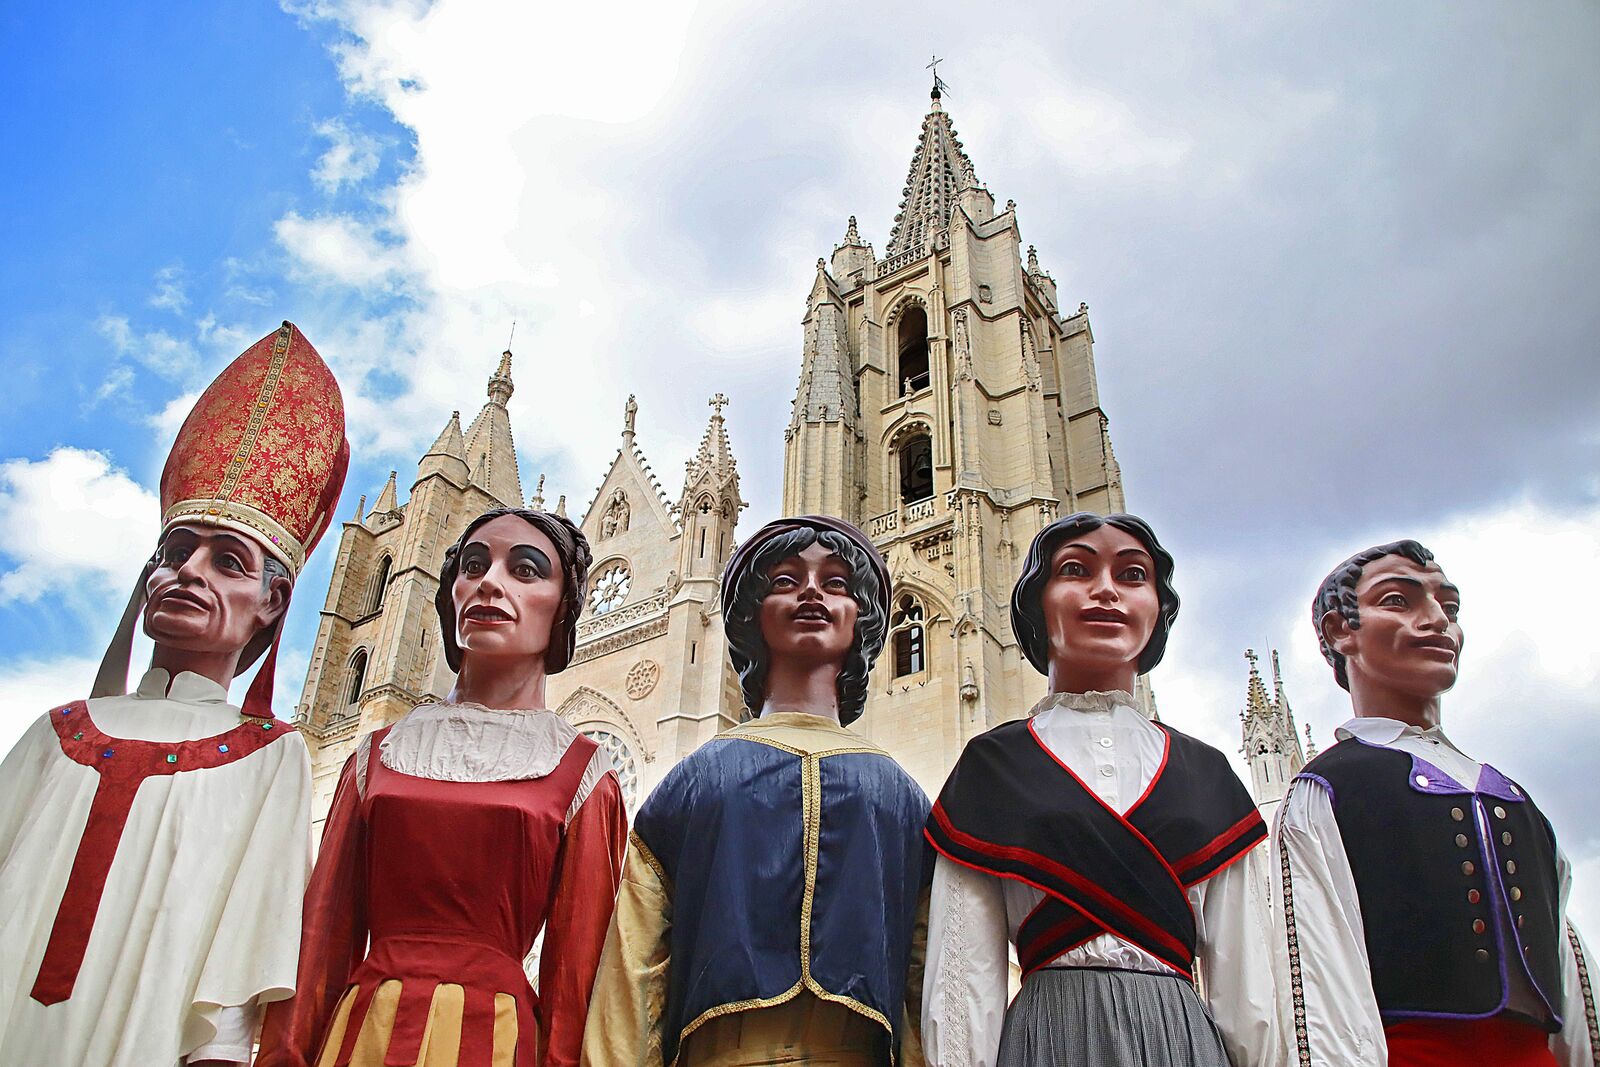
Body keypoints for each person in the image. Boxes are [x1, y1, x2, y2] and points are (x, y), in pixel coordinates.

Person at [0, 322, 349, 1066]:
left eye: (228, 560)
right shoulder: (55, 729)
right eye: (174, 551)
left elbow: (235, 978)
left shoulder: (271, 756)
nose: (190, 572)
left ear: (271, 602)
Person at [257, 507, 627, 1067]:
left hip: (496, 1042)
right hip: (361, 1037)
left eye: (525, 569)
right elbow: (319, 944)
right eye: (473, 565)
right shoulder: (376, 754)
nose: (488, 582)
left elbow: (579, 976)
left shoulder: (584, 773)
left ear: (563, 609)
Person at [922, 512, 1278, 1067]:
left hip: (1182, 1038)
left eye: (1133, 575)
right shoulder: (992, 766)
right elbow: (962, 975)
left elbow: (1249, 982)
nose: (1106, 589)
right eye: (1076, 570)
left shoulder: (1206, 773)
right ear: (1038, 602)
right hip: (1048, 1036)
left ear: (1156, 609)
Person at [581, 515, 930, 1067]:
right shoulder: (698, 780)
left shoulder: (900, 795)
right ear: (751, 615)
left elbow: (926, 971)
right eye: (786, 580)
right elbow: (634, 961)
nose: (812, 591)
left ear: (860, 618)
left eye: (836, 583)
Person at [1274, 539, 1596, 1066]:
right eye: (1399, 601)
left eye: (1448, 607)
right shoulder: (1329, 788)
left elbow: (1571, 975)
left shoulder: (1513, 799)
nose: (1436, 621)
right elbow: (1317, 978)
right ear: (1340, 631)